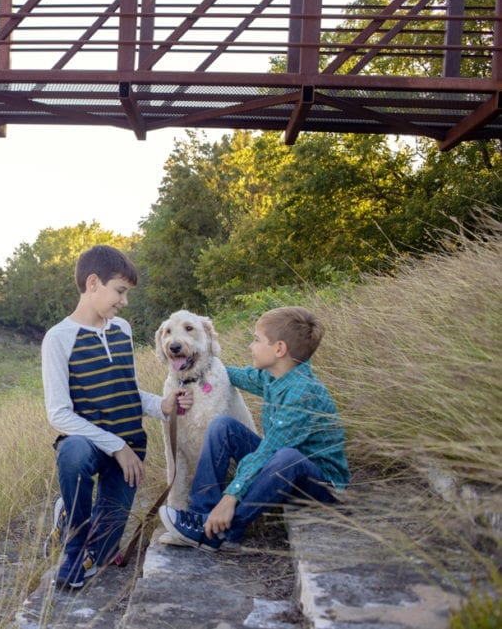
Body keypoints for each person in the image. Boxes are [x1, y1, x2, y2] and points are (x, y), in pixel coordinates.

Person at [158, 305, 350, 552]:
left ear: (279, 349)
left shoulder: (303, 394)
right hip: (280, 467)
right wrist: (197, 372)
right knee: (222, 426)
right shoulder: (274, 376)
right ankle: (200, 513)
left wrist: (230, 497)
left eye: (257, 340)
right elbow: (230, 374)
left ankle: (221, 530)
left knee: (287, 457)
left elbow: (269, 452)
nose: (251, 346)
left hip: (319, 486)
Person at [42, 245, 176, 589]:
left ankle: (71, 521)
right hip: (91, 446)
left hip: (128, 449)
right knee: (73, 453)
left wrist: (161, 405)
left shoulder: (123, 330)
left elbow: (128, 391)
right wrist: (116, 446)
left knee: (102, 556)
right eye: (120, 291)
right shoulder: (58, 339)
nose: (124, 301)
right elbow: (59, 414)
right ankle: (72, 544)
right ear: (92, 283)